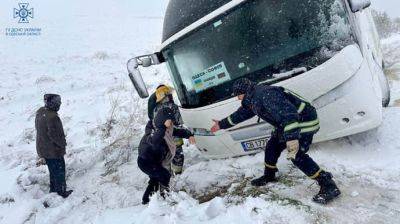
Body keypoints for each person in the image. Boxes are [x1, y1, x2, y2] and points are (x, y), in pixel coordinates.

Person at [210, 78, 340, 204]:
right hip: (287, 125)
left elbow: (289, 114)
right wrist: (221, 124)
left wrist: (292, 139)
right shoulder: (253, 98)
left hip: (303, 123)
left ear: (243, 92)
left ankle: (328, 184)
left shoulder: (266, 94)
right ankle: (269, 175)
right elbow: (241, 114)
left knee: (296, 155)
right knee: (272, 147)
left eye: (237, 95)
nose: (237, 98)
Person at [138, 106, 195, 205]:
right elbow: (154, 141)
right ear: (162, 120)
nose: (171, 124)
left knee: (155, 180)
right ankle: (166, 197)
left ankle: (147, 201)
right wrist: (163, 127)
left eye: (172, 121)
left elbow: (178, 131)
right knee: (164, 175)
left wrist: (189, 135)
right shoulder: (152, 131)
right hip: (145, 161)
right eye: (169, 121)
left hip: (154, 162)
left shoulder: (168, 130)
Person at [35, 94, 73, 198]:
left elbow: (38, 129)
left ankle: (53, 190)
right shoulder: (53, 117)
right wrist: (63, 144)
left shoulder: (40, 111)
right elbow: (56, 137)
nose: (60, 104)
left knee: (53, 171)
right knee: (60, 171)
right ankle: (61, 192)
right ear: (53, 104)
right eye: (58, 103)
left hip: (43, 148)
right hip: (53, 151)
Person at [147, 85, 186, 175]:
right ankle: (177, 173)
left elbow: (154, 123)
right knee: (177, 155)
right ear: (166, 95)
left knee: (166, 157)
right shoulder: (172, 106)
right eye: (169, 94)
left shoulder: (155, 109)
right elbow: (180, 120)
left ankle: (167, 175)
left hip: (162, 138)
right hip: (174, 137)